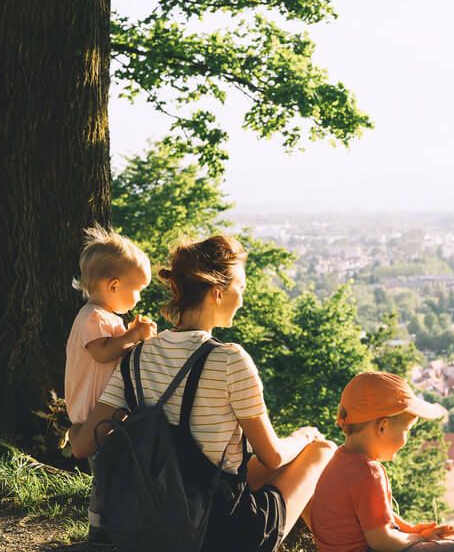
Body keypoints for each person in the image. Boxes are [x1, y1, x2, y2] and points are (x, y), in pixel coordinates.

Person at [69, 234, 335, 552]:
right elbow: (273, 456)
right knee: (321, 450)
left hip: (155, 522)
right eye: (242, 289)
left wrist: (71, 425)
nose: (242, 298)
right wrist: (305, 436)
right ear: (218, 292)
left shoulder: (137, 353)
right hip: (222, 533)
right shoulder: (230, 359)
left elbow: (83, 445)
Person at [64, 224, 156, 548]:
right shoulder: (92, 317)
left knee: (115, 468)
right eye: (138, 290)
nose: (139, 297)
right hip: (94, 413)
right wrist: (133, 336)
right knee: (105, 472)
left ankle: (116, 522)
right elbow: (103, 353)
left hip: (106, 411)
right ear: (114, 285)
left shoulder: (108, 319)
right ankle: (99, 529)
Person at [310, 372, 454, 552]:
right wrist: (419, 538)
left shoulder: (341, 461)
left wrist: (410, 529)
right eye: (407, 430)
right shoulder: (368, 473)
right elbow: (382, 540)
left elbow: (375, 515)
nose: (407, 439)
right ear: (383, 427)